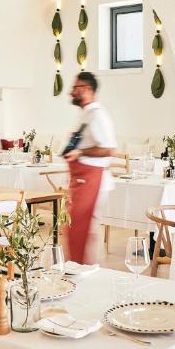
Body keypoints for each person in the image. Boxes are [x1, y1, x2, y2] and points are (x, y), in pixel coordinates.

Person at [62, 71, 116, 264]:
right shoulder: (87, 114)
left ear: (86, 89)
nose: (71, 92)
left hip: (93, 179)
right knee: (75, 226)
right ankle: (78, 268)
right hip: (82, 178)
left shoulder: (98, 115)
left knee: (86, 229)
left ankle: (88, 271)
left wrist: (81, 152)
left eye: (75, 88)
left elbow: (108, 149)